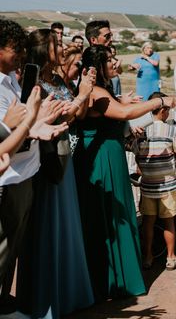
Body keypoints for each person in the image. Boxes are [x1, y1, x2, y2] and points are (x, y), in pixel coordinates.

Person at [73, 45, 176, 301]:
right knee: (107, 215)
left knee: (116, 212)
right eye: (110, 59)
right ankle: (109, 282)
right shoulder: (96, 91)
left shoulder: (103, 90)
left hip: (111, 154)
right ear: (98, 67)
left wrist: (122, 100)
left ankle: (118, 278)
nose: (116, 61)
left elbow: (115, 108)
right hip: (101, 160)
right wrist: (159, 101)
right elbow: (122, 114)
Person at [16, 29, 96, 318]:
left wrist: (82, 95)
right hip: (45, 162)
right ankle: (45, 299)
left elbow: (77, 116)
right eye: (57, 44)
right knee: (48, 228)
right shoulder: (32, 81)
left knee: (67, 226)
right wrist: (82, 96)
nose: (63, 48)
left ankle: (69, 294)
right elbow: (38, 118)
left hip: (65, 158)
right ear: (42, 49)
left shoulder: (59, 79)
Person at [0, 19, 68, 314]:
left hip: (26, 175)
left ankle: (3, 303)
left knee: (12, 251)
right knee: (1, 250)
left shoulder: (12, 81)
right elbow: (6, 134)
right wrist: (26, 124)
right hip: (8, 179)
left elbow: (20, 127)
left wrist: (37, 125)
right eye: (15, 48)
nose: (20, 54)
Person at [134, 92, 176, 271]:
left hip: (148, 185)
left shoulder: (142, 131)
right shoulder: (171, 130)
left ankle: (148, 256)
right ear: (163, 110)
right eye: (168, 111)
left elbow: (138, 157)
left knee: (148, 222)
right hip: (167, 185)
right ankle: (171, 257)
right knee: (168, 222)